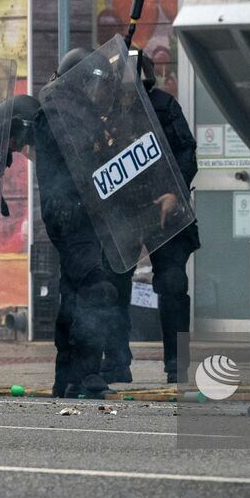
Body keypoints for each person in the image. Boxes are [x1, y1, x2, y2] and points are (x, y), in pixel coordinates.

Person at [102, 50, 201, 385]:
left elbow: (186, 150)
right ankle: (116, 362)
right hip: (123, 209)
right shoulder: (106, 111)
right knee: (113, 283)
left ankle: (177, 364)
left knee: (173, 283)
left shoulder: (162, 105)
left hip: (164, 206)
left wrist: (176, 192)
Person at [37, 48, 119, 400]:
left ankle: (66, 379)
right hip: (70, 215)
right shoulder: (57, 114)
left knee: (72, 293)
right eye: (96, 86)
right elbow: (80, 160)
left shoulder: (81, 114)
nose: (100, 95)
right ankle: (86, 374)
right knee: (95, 290)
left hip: (85, 216)